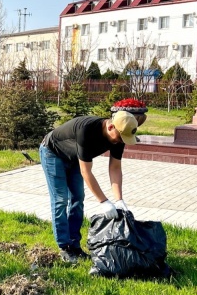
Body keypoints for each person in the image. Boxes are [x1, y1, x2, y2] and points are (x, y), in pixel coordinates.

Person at [39, 111, 139, 263]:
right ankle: (65, 247)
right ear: (111, 126)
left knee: (78, 199)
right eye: (120, 138)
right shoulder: (87, 130)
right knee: (60, 200)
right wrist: (104, 201)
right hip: (53, 153)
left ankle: (74, 245)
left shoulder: (119, 137)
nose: (120, 142)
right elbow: (86, 172)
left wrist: (119, 200)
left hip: (74, 157)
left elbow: (115, 168)